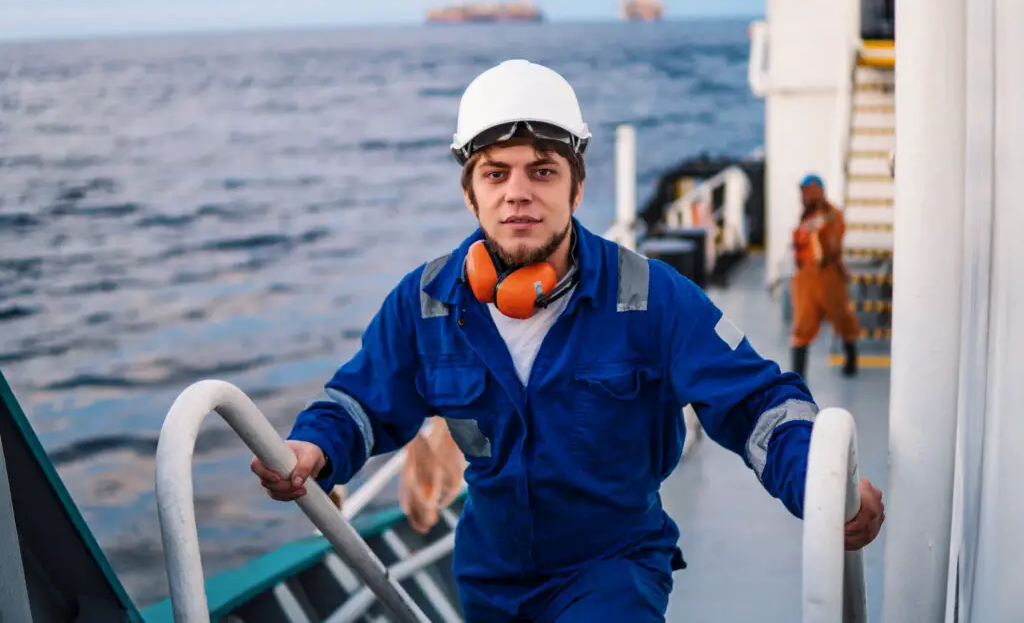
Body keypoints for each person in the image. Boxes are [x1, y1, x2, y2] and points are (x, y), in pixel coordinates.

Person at [251, 60, 885, 622]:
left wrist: (819, 481)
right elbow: (360, 402)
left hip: (612, 573)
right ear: (470, 194)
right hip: (487, 579)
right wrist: (313, 447)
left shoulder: (650, 296)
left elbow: (754, 400)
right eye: (495, 173)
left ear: (576, 188)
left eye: (542, 171)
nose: (518, 192)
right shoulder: (426, 304)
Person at [790, 174, 861, 379]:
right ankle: (798, 375)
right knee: (802, 326)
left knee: (843, 318)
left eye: (809, 191)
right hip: (806, 277)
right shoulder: (806, 215)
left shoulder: (832, 215)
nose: (805, 196)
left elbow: (833, 242)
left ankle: (851, 360)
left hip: (829, 275)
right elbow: (799, 241)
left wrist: (821, 229)